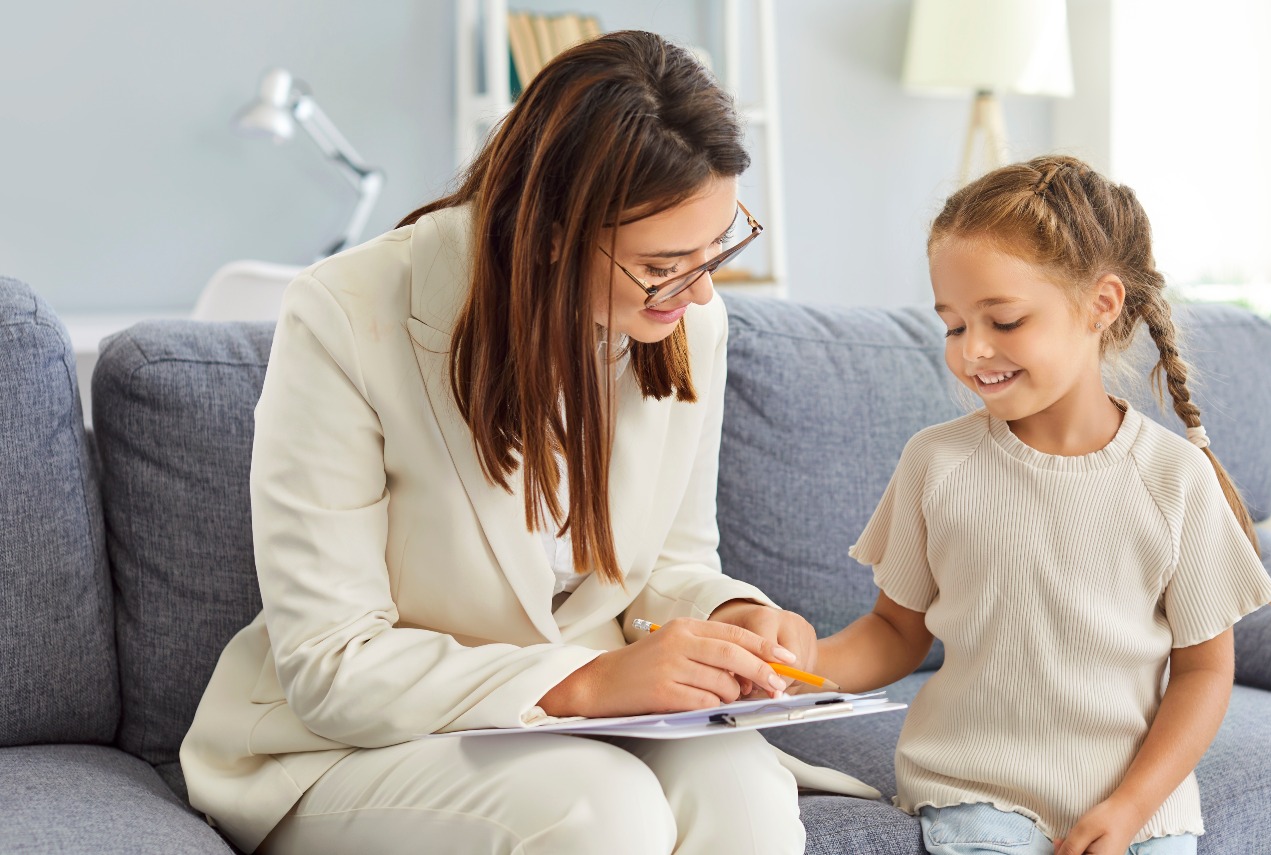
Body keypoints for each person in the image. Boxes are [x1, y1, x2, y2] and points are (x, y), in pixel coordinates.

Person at [180, 31, 874, 855]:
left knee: (747, 791)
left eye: (717, 244)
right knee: (596, 808)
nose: (701, 288)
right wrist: (581, 681)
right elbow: (335, 661)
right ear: (551, 232)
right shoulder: (344, 311)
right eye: (665, 262)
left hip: (588, 719)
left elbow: (663, 569)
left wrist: (734, 615)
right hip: (353, 744)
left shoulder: (690, 321)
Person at [813, 155, 1271, 855]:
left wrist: (1131, 807)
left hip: (1141, 807)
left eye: (1003, 320)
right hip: (976, 793)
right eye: (953, 325)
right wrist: (794, 664)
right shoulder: (936, 461)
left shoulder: (1174, 477)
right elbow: (894, 631)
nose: (973, 350)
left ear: (1102, 304)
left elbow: (1204, 671)